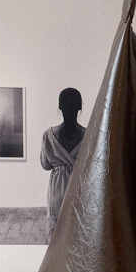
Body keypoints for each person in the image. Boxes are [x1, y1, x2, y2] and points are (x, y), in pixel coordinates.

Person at [41, 88, 86, 242]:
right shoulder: (89, 134)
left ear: (59, 107)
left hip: (58, 188)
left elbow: (45, 165)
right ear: (80, 107)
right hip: (80, 188)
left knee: (57, 232)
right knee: (79, 231)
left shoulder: (48, 134)